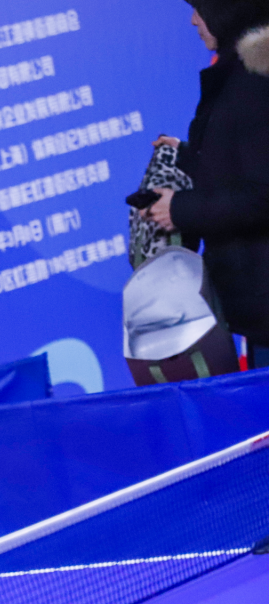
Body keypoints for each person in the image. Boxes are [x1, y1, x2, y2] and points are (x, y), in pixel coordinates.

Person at [146, 1, 269, 368]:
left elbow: (263, 195)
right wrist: (188, 156)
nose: (193, 20)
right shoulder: (242, 73)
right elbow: (248, 164)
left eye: (199, 9)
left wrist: (179, 209)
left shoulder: (254, 83)